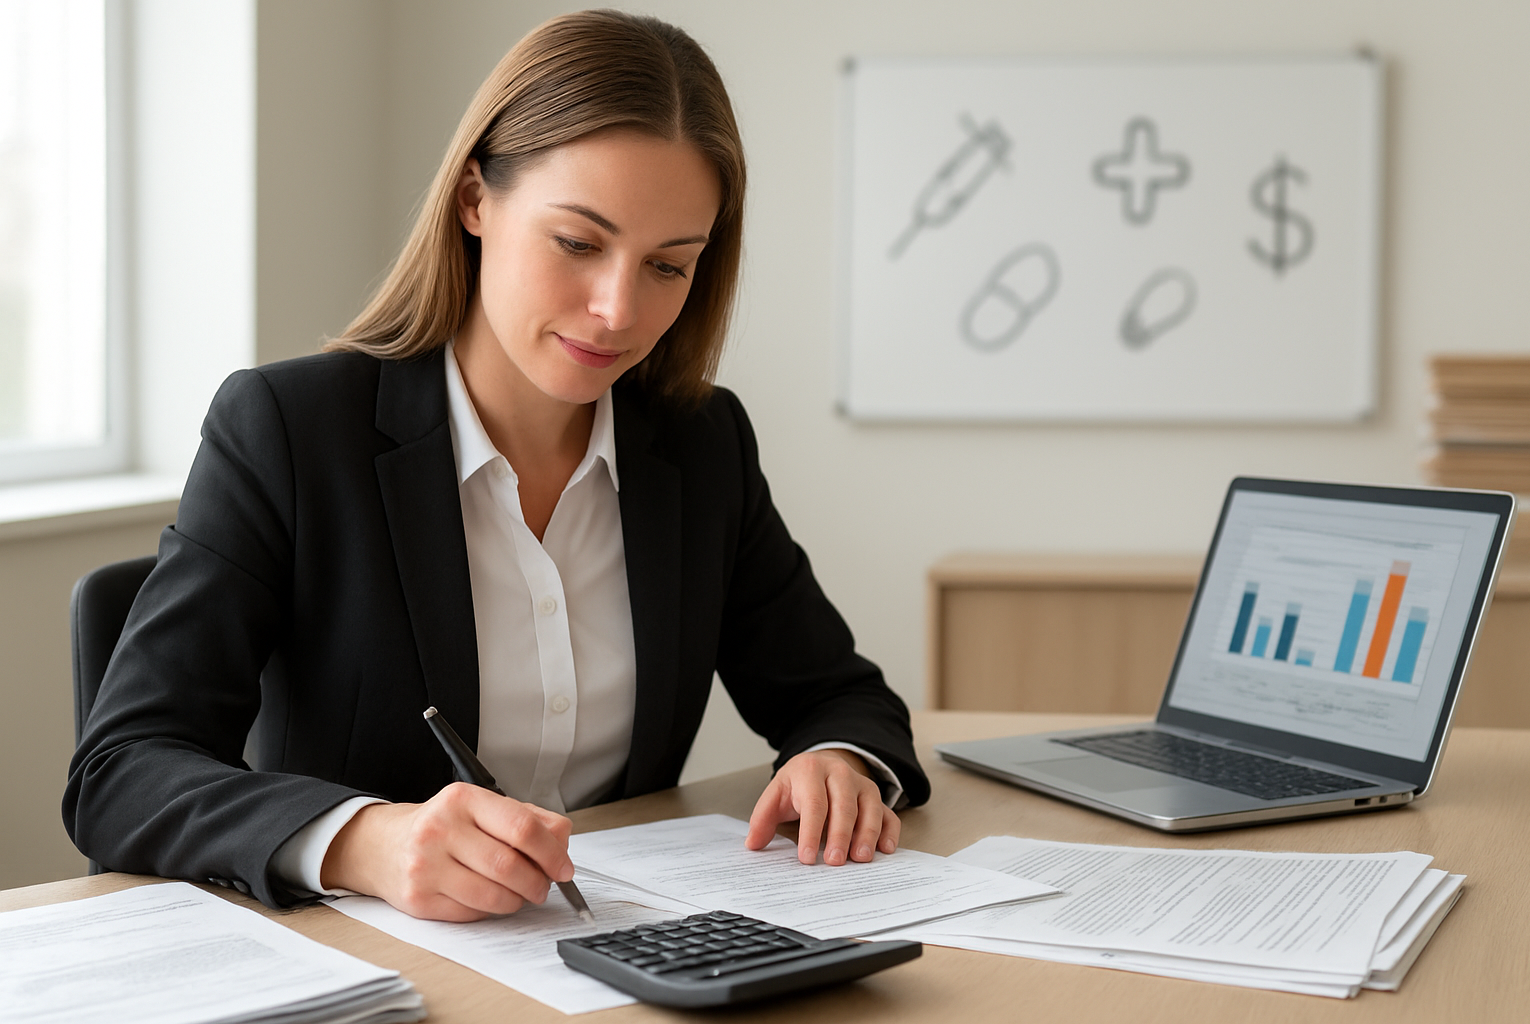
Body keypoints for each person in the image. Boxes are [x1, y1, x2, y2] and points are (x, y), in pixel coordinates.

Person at [64, 9, 929, 922]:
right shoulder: (288, 428)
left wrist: (835, 762)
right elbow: (121, 771)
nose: (615, 310)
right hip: (374, 965)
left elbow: (839, 696)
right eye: (578, 243)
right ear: (476, 199)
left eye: (669, 267)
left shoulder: (699, 445)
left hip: (619, 957)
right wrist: (367, 841)